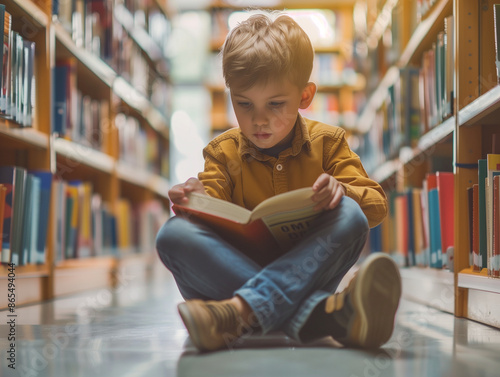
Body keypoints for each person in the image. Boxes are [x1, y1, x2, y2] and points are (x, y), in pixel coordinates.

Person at [156, 11, 401, 352]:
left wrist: (341, 191)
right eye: (244, 104)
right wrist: (192, 201)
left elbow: (377, 205)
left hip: (266, 284)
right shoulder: (222, 153)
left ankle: (238, 313)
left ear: (305, 96)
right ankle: (321, 316)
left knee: (351, 214)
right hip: (246, 277)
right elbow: (208, 202)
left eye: (275, 104)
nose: (259, 119)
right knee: (172, 233)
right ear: (230, 96)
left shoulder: (328, 143)